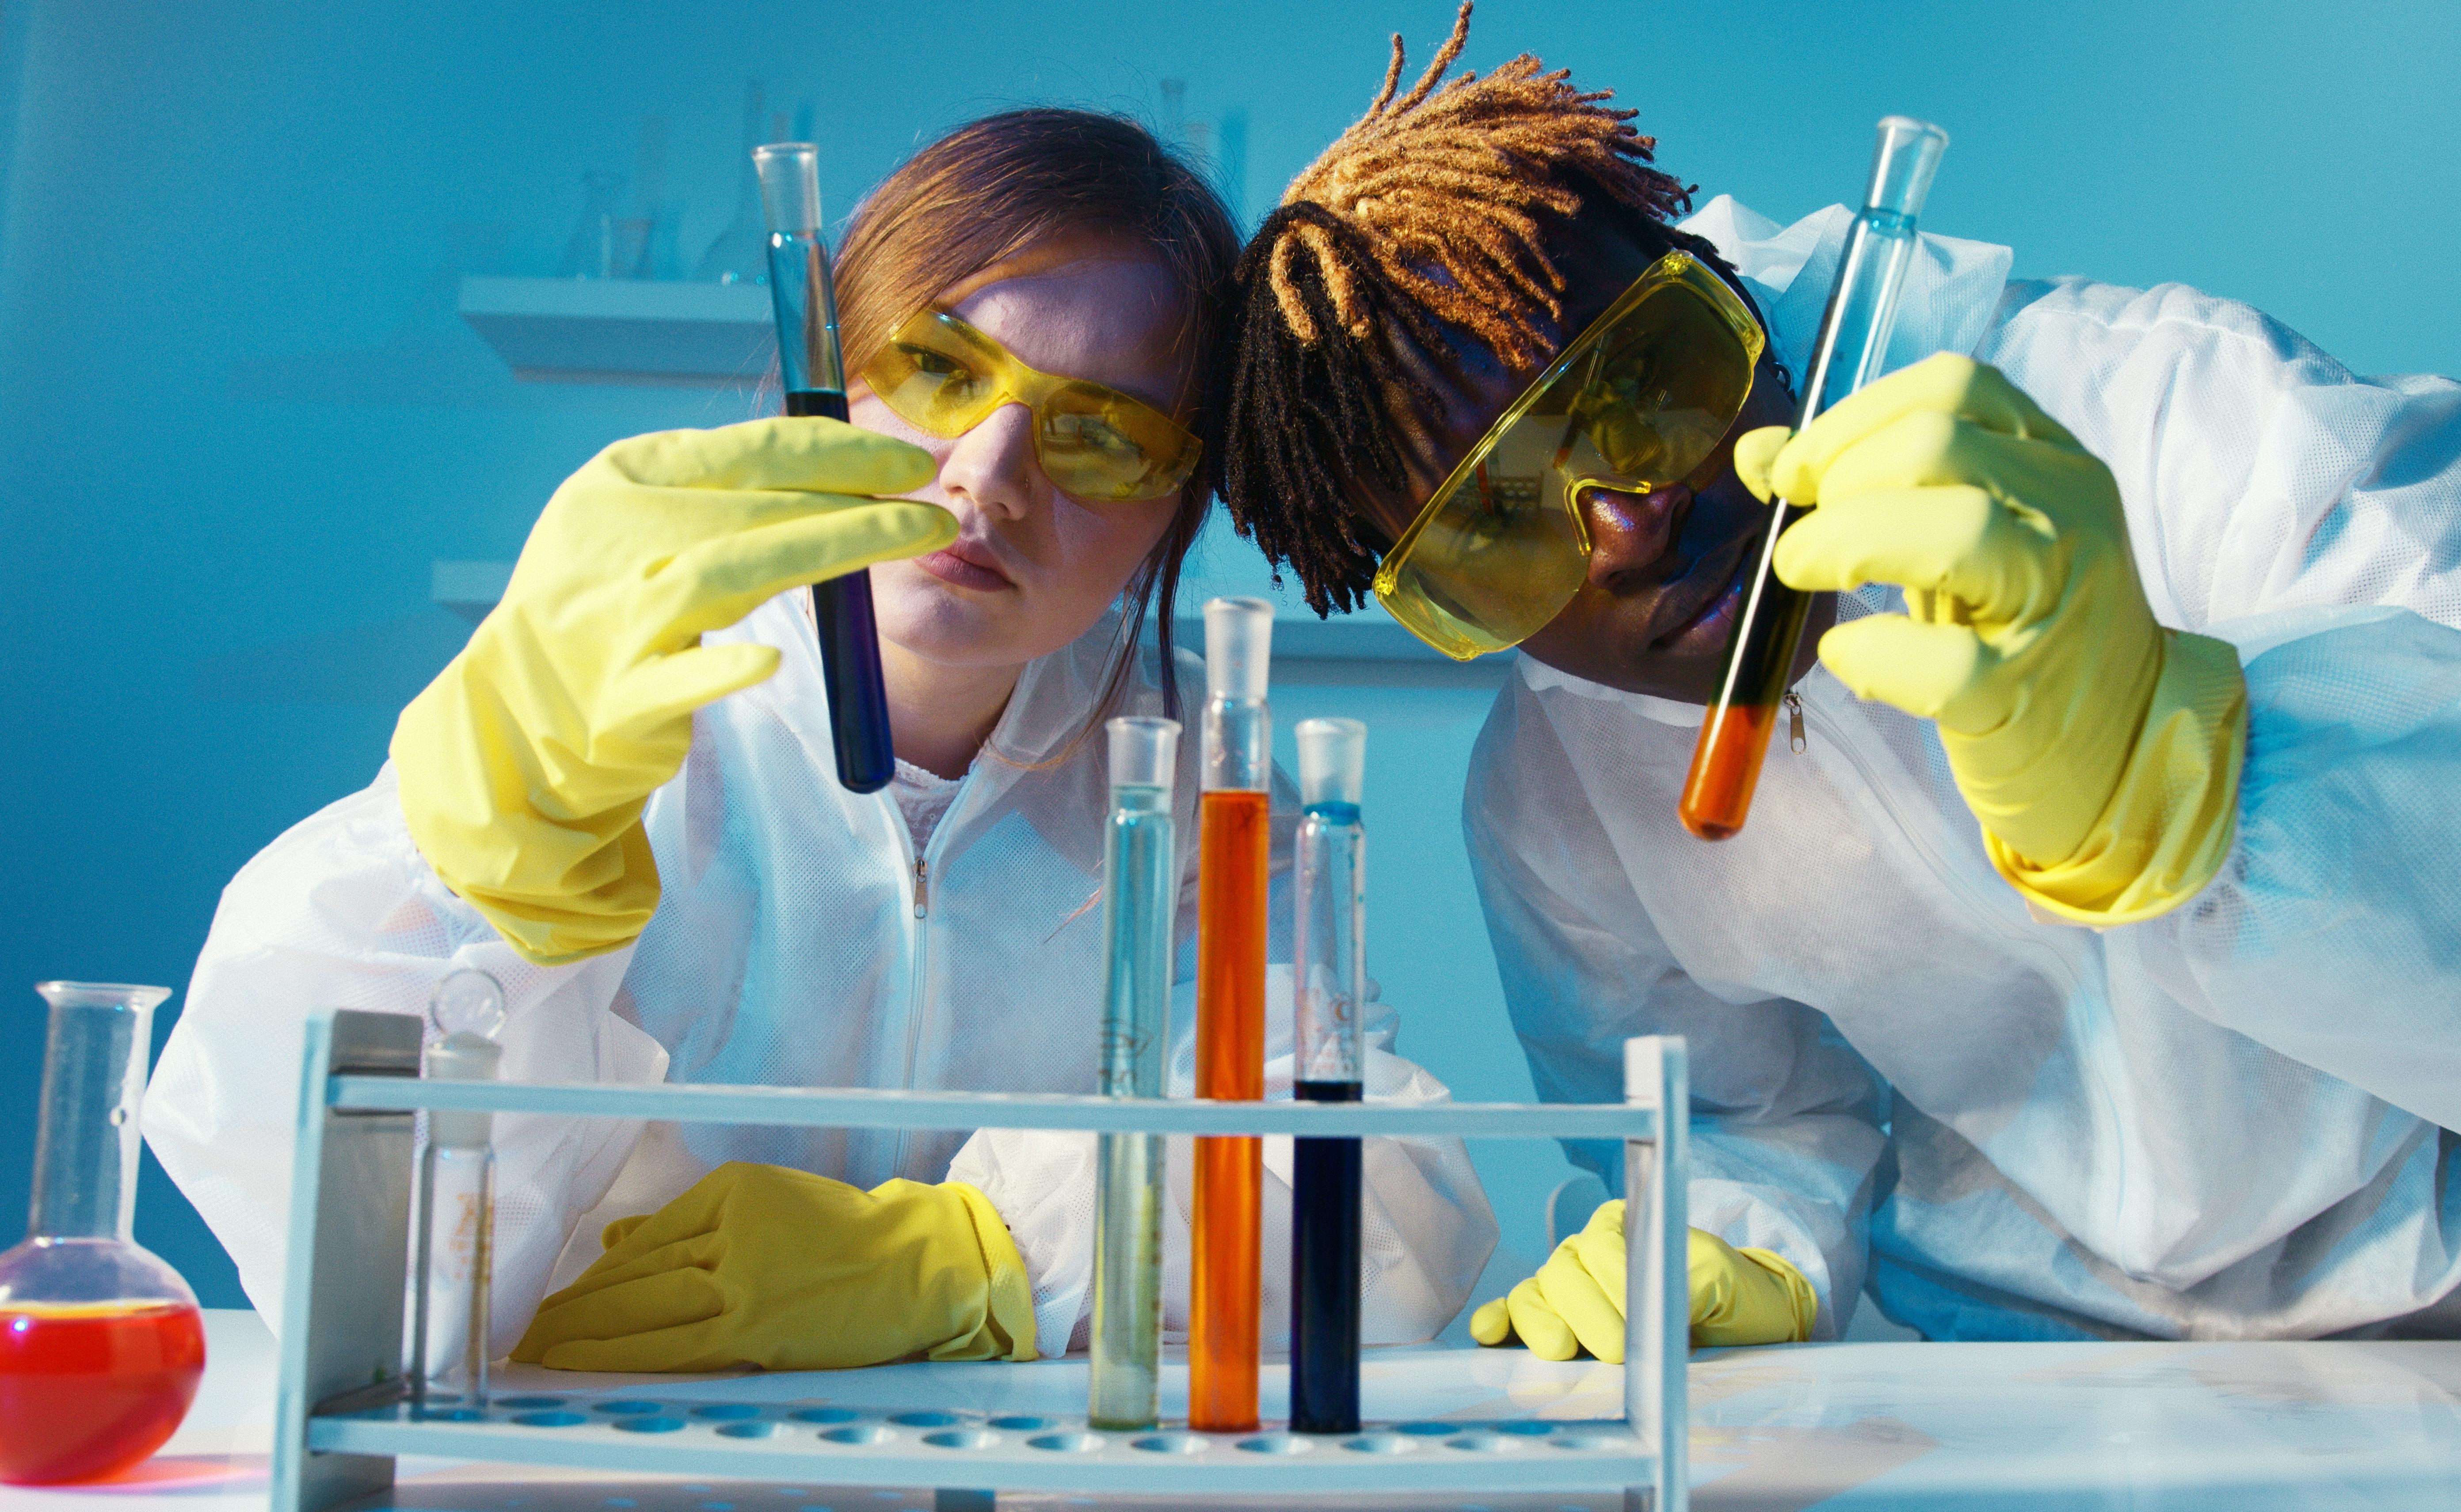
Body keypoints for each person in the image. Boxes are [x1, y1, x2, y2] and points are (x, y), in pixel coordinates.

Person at [1212, 7, 2461, 1349]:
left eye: (1629, 380)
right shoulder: (1552, 798)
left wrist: (2208, 771)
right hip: (2053, 1374)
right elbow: (1751, 1121)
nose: (1624, 522)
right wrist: (1735, 1234)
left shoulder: (2184, 415)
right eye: (1490, 522)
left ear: (1716, 282)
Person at [144, 109, 1493, 1371]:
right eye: (942, 369)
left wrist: (988, 1257)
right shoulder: (615, 702)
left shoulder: (1193, 769)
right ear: (826, 379)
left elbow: (1376, 1203)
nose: (988, 474)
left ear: (1178, 508)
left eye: (1100, 433)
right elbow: (330, 1248)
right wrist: (484, 875)